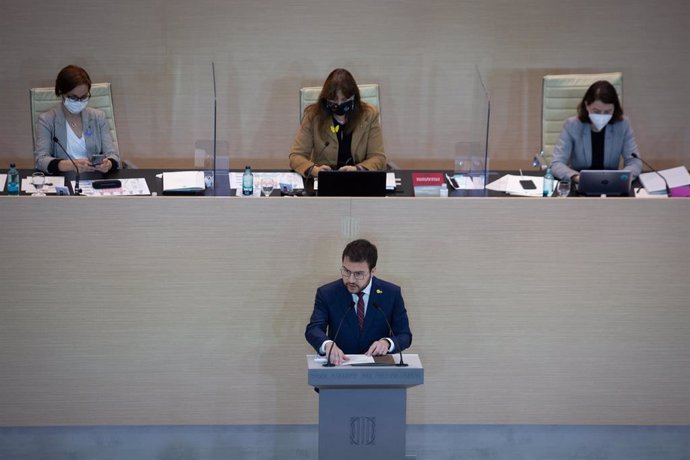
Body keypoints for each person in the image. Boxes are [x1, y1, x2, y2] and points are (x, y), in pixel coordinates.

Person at [305, 239, 412, 365]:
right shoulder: (327, 293)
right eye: (346, 271)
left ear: (372, 271)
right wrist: (327, 345)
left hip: (378, 373)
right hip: (338, 370)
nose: (351, 279)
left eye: (358, 274)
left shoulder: (391, 293)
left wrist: (387, 343)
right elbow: (314, 329)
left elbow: (405, 335)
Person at [289, 68, 387, 178]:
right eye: (334, 100)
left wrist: (358, 169)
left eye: (344, 100)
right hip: (324, 180)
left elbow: (378, 157)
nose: (339, 104)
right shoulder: (313, 116)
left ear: (354, 97)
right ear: (325, 99)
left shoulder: (369, 115)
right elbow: (296, 156)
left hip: (358, 179)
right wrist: (314, 170)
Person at [34, 65, 120, 174]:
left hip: (95, 179)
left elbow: (114, 156)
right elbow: (40, 160)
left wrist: (108, 164)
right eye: (74, 97)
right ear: (61, 92)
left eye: (83, 97)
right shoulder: (47, 120)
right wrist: (70, 165)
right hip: (63, 181)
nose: (79, 102)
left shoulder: (98, 117)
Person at [551, 80, 642, 183]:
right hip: (579, 183)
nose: (602, 116)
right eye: (597, 111)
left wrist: (621, 179)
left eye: (608, 111)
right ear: (586, 105)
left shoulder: (622, 125)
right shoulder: (572, 125)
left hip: (611, 183)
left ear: (614, 108)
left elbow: (634, 162)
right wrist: (576, 177)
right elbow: (556, 163)